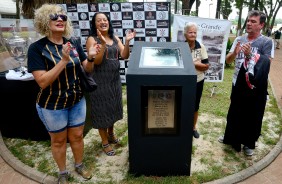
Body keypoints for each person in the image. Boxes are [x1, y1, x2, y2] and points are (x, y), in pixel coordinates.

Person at [27, 4, 100, 183]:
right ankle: (62, 173)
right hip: (52, 104)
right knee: (59, 141)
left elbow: (87, 69)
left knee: (76, 136)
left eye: (63, 17)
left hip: (76, 100)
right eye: (54, 16)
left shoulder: (73, 42)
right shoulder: (37, 48)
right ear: (45, 20)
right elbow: (42, 81)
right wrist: (63, 60)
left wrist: (90, 57)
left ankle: (79, 164)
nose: (60, 19)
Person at [218, 10, 273, 156]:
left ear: (261, 25)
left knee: (252, 115)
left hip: (254, 86)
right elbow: (228, 61)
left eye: (253, 21)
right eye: (248, 20)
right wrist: (235, 53)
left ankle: (248, 143)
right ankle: (230, 137)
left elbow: (267, 63)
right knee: (234, 112)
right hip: (237, 83)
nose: (248, 23)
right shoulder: (239, 39)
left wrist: (250, 55)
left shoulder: (266, 42)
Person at [86, 12, 136, 156]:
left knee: (113, 108)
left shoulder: (114, 37)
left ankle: (111, 133)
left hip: (114, 80)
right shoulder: (92, 39)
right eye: (99, 20)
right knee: (102, 111)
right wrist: (102, 44)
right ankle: (104, 142)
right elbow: (96, 61)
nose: (103, 22)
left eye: (105, 19)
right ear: (94, 24)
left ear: (109, 22)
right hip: (99, 81)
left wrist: (127, 42)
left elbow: (125, 55)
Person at [183, 22, 209, 139]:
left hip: (198, 80)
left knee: (195, 106)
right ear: (185, 34)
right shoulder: (181, 47)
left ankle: (193, 127)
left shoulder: (201, 47)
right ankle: (182, 126)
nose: (193, 34)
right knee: (183, 104)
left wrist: (193, 64)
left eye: (194, 32)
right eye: (190, 32)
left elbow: (206, 66)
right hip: (184, 81)